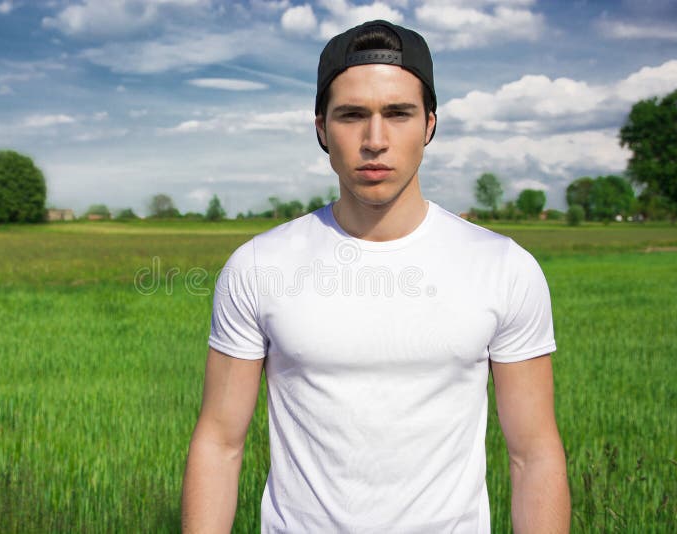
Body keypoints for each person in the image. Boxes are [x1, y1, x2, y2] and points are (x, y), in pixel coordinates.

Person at [181, 19, 570, 533]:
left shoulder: (503, 267)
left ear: (430, 124)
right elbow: (220, 442)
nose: (375, 139)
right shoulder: (258, 266)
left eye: (398, 113)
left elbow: (534, 454)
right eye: (351, 115)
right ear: (320, 128)